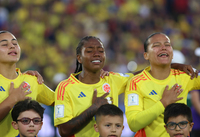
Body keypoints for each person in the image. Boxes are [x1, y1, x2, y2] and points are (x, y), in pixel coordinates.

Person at [54, 35, 197, 137]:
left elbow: (143, 72)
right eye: (90, 51)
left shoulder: (113, 80)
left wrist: (175, 65)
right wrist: (93, 109)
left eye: (100, 50)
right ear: (79, 57)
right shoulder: (65, 87)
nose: (96, 54)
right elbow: (64, 131)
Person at [125, 32, 200, 137]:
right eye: (156, 45)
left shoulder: (185, 76)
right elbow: (133, 123)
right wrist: (163, 103)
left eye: (167, 45)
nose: (163, 48)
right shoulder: (136, 82)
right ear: (146, 55)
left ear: (172, 53)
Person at [0, 30, 55, 137]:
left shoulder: (31, 80)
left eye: (15, 43)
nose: (12, 46)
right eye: (4, 44)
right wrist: (13, 99)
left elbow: (61, 101)